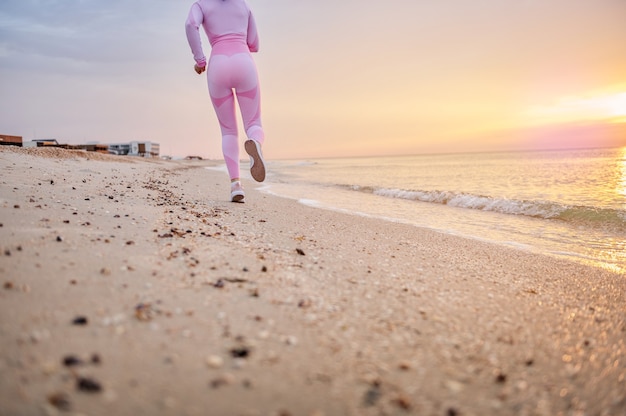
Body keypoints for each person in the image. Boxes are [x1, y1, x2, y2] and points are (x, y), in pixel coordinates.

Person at [185, 0, 266, 203]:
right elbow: (254, 43)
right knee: (254, 123)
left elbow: (190, 25)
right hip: (244, 63)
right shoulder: (243, 5)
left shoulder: (200, 5)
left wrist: (200, 60)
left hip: (218, 65)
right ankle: (255, 142)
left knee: (228, 131)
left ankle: (235, 185)